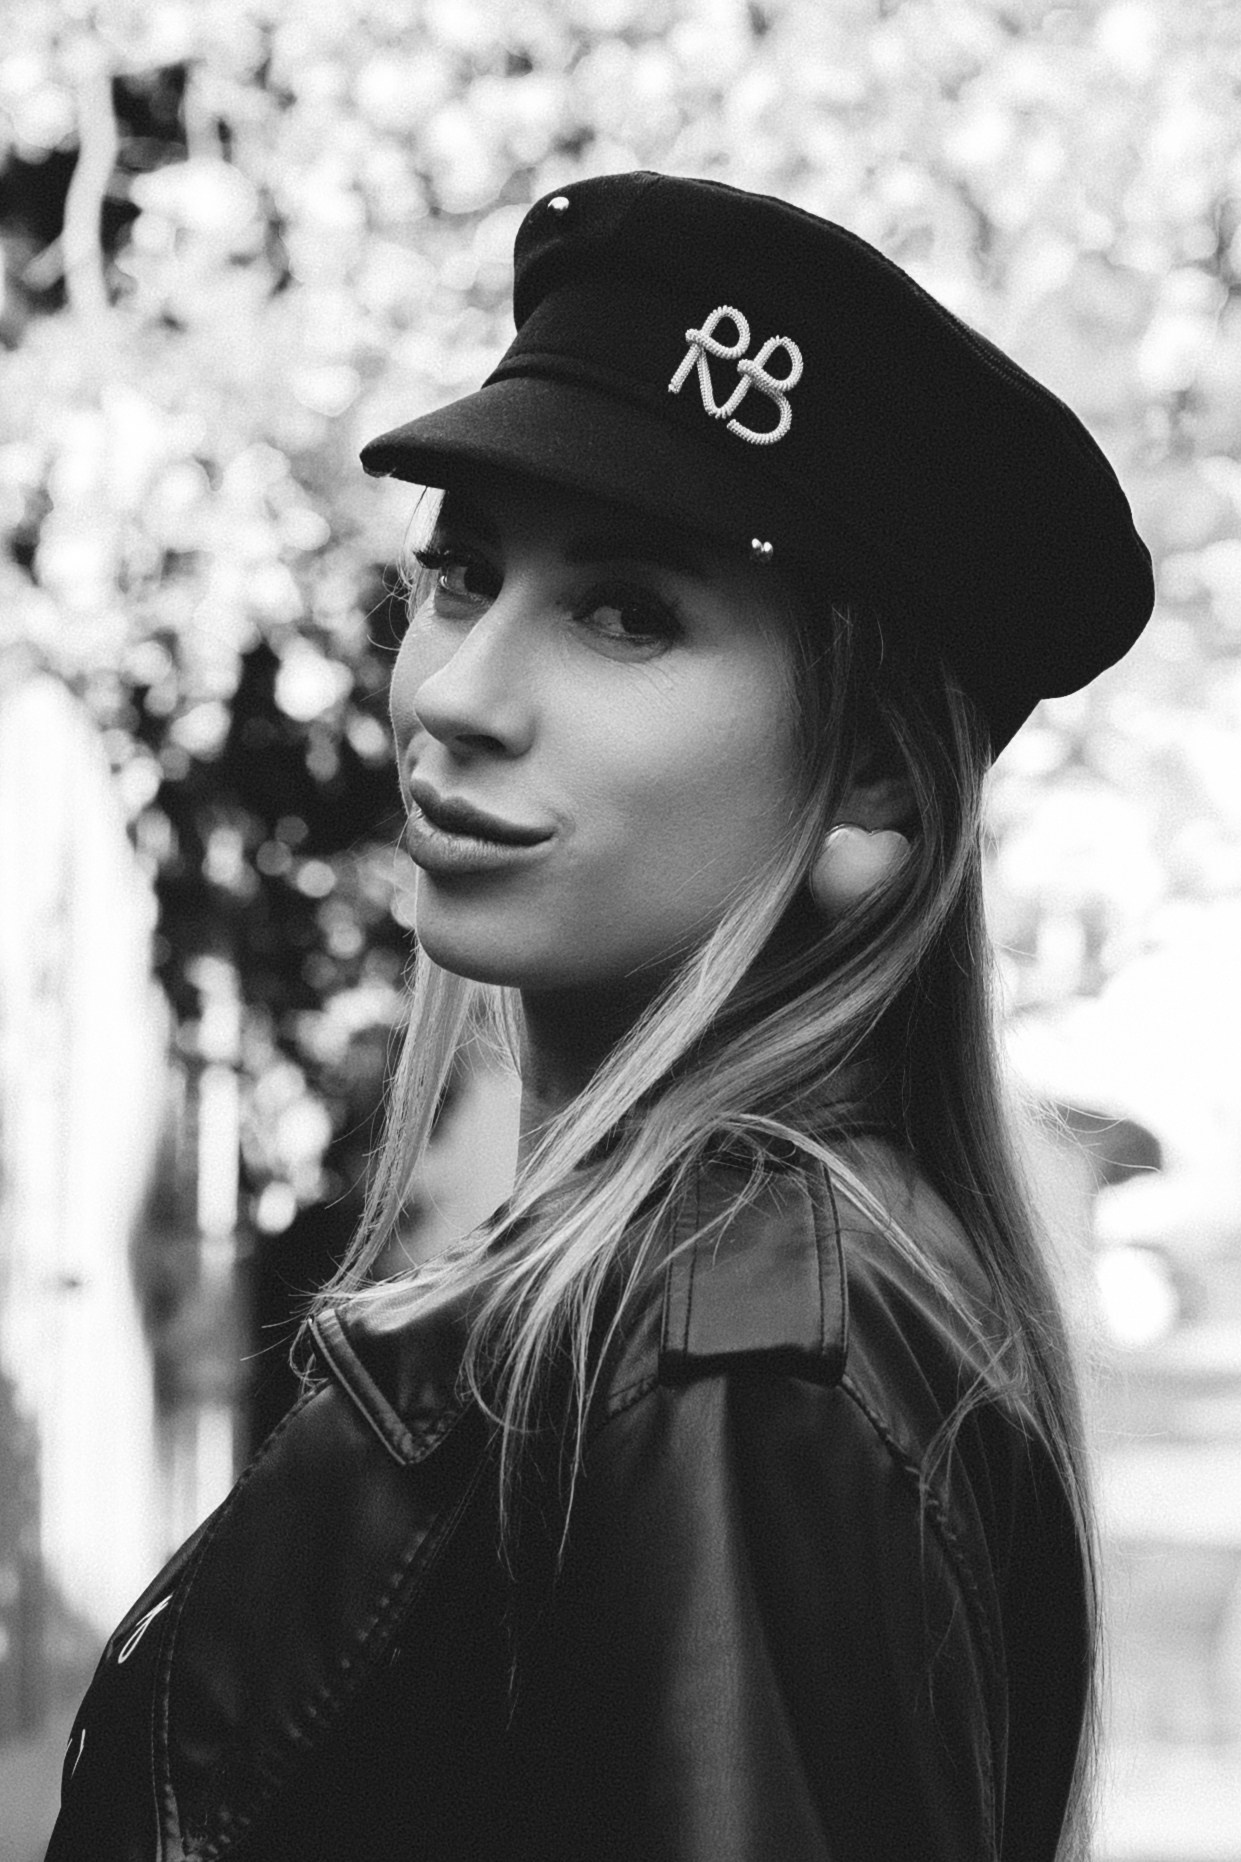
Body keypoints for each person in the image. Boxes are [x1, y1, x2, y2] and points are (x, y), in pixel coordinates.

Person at [46, 172, 1153, 1862]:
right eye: (461, 572)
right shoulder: (700, 1307)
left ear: (872, 773)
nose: (458, 693)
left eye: (626, 611)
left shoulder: (736, 1362)